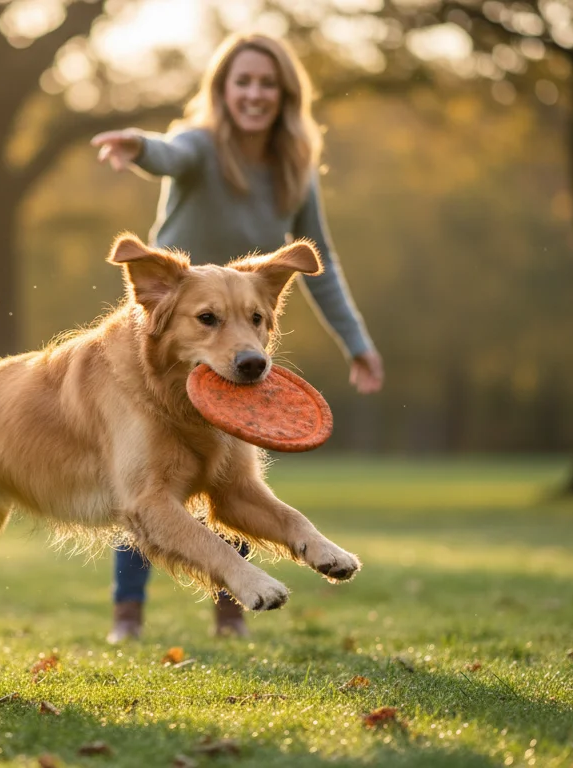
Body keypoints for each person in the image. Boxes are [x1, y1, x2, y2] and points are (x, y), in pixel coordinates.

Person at [91, 32, 385, 643]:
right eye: (242, 82)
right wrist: (138, 146)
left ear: (285, 95)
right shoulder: (202, 146)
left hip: (240, 337)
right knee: (146, 476)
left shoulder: (295, 172)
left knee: (226, 472)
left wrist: (356, 342)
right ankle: (127, 614)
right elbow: (169, 154)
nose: (254, 93)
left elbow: (319, 259)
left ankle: (233, 610)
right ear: (223, 92)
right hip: (179, 328)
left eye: (266, 84)